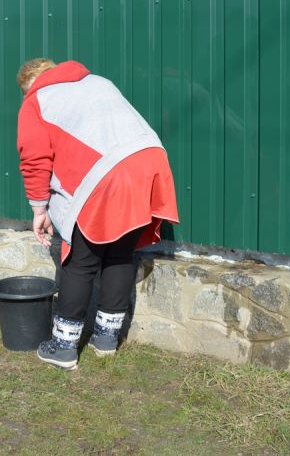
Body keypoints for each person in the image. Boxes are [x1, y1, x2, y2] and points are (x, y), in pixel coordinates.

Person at [16, 58, 178, 369]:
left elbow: (35, 160)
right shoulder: (97, 81)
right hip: (149, 161)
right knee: (119, 252)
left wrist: (39, 209)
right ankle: (106, 338)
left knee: (80, 260)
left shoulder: (36, 100)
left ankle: (63, 346)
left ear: (29, 85)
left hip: (106, 173)